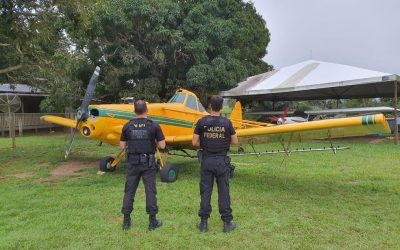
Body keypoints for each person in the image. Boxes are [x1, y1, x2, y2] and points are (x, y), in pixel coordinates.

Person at [192, 95, 239, 233]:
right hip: (221, 162)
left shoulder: (201, 122)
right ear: (221, 107)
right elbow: (235, 141)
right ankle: (227, 223)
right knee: (224, 192)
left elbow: (194, 143)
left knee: (205, 191)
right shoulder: (227, 123)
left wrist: (205, 144)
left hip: (206, 160)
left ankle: (204, 223)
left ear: (210, 106)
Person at [120, 100, 166, 231]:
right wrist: (154, 143)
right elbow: (162, 145)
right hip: (148, 164)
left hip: (132, 163)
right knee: (150, 192)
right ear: (147, 110)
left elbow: (122, 146)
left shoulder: (127, 126)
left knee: (129, 191)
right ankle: (152, 222)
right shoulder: (154, 126)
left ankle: (126, 222)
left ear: (134, 111)